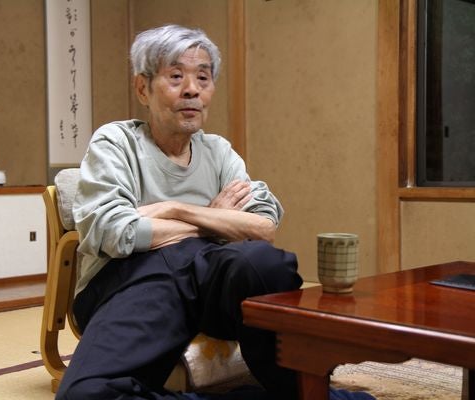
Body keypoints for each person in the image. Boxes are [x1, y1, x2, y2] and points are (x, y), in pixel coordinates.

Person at [56, 24, 374, 400]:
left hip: (209, 282)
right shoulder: (117, 142)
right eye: (176, 76)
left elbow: (262, 226)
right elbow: (115, 232)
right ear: (143, 88)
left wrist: (175, 209)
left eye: (203, 78)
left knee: (263, 263)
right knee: (87, 395)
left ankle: (303, 388)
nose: (192, 89)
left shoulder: (218, 151)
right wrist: (214, 220)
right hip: (130, 279)